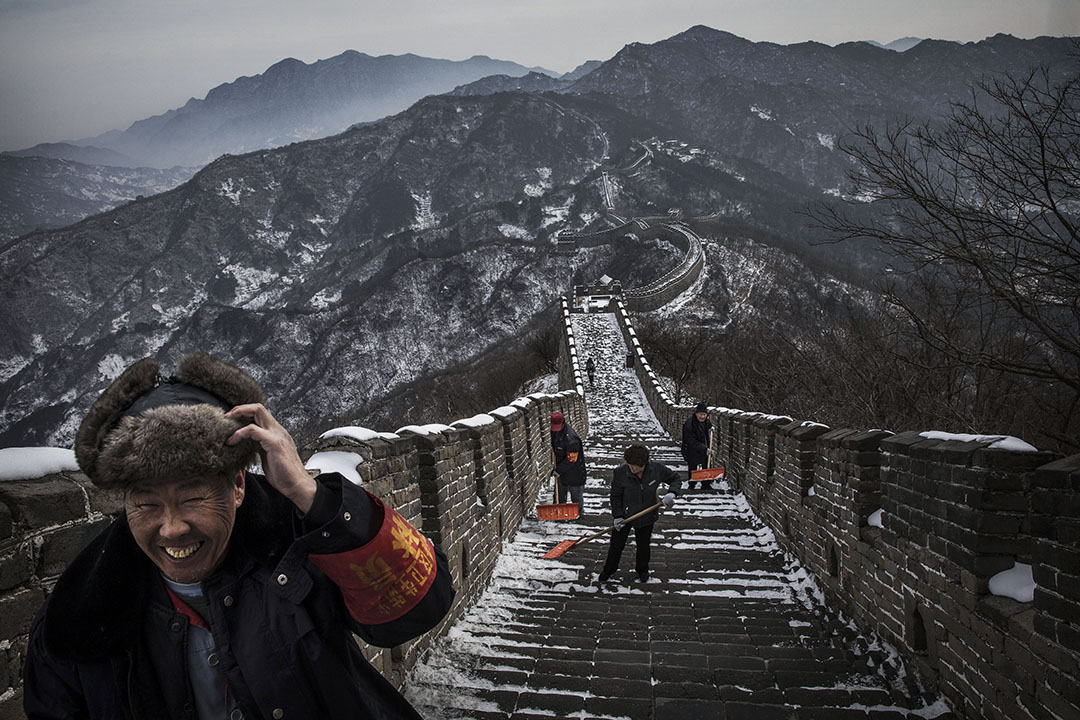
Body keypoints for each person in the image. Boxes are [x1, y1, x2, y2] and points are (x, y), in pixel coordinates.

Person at [23, 352, 455, 720]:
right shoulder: (81, 611)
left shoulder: (293, 546)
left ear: (237, 487)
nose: (171, 528)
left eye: (192, 497)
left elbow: (419, 608)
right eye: (147, 503)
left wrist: (309, 495)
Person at [597, 443, 680, 584]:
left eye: (634, 465)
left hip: (647, 514)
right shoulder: (621, 473)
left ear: (643, 464)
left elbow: (675, 478)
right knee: (616, 545)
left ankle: (642, 570)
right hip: (625, 515)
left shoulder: (656, 470)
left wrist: (672, 493)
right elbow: (615, 496)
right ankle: (608, 570)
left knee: (643, 545)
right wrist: (617, 516)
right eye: (629, 464)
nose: (631, 468)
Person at [550, 410, 586, 516]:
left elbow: (571, 459)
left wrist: (558, 470)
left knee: (576, 497)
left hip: (575, 471)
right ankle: (558, 514)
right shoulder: (555, 433)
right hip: (562, 469)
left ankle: (578, 515)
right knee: (559, 495)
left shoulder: (571, 440)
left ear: (563, 422)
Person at [682, 402, 714, 491]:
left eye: (704, 414)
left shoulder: (705, 422)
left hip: (702, 447)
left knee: (705, 464)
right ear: (696, 414)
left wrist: (711, 427)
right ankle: (692, 484)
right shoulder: (690, 424)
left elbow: (708, 426)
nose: (702, 417)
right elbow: (691, 441)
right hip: (690, 448)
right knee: (692, 465)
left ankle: (706, 484)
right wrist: (705, 448)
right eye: (700, 414)